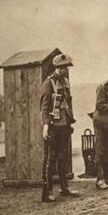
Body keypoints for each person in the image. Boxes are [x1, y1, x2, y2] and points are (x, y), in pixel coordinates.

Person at [39, 53, 80, 202]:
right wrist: (45, 126)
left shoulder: (66, 82)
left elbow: (68, 103)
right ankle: (47, 191)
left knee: (63, 157)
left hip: (64, 125)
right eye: (62, 68)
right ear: (56, 67)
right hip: (52, 126)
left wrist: (70, 122)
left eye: (66, 67)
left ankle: (64, 188)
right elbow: (44, 106)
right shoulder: (48, 83)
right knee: (51, 158)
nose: (64, 70)